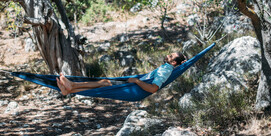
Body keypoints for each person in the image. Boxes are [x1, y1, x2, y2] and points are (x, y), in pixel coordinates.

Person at [56, 52, 186, 96]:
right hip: (136, 86)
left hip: (136, 88)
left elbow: (153, 89)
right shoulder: (169, 68)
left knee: (105, 83)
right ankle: (70, 90)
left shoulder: (166, 70)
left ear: (174, 63)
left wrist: (137, 81)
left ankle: (72, 84)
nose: (167, 56)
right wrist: (184, 62)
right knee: (102, 86)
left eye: (170, 56)